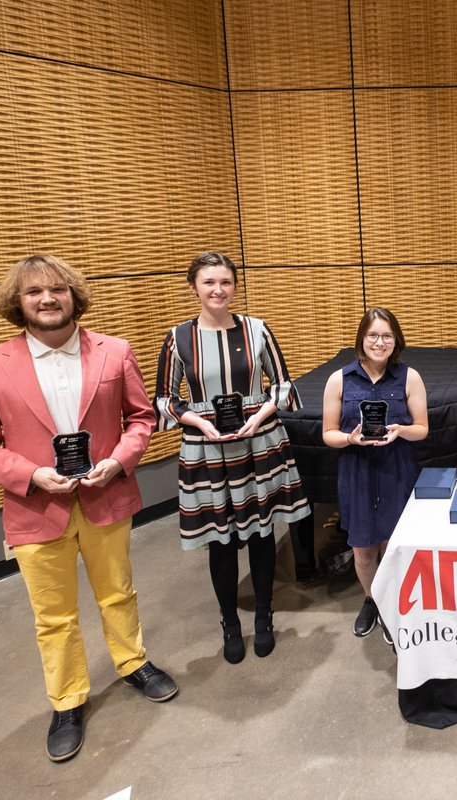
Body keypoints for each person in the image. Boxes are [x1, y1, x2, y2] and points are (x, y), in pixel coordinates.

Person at [0, 255, 177, 763]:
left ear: (75, 295)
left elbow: (141, 418)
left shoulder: (114, 352)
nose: (48, 298)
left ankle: (132, 663)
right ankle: (68, 700)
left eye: (58, 289)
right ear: (19, 302)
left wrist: (119, 462)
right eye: (34, 292)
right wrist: (31, 475)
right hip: (35, 508)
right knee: (53, 616)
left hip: (106, 495)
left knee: (118, 592)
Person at [154, 252, 310, 664]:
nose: (218, 290)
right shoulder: (178, 338)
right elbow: (165, 400)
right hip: (206, 448)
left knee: (261, 534)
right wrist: (201, 423)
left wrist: (258, 417)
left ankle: (263, 615)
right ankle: (229, 622)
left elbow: (283, 387)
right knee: (220, 542)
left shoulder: (257, 330)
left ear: (235, 286)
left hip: (257, 442)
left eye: (225, 281)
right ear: (194, 288)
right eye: (209, 282)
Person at [322, 308, 428, 643]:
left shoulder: (409, 377)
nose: (379, 342)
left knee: (393, 546)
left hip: (397, 469)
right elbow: (328, 434)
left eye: (386, 336)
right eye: (372, 335)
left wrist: (402, 430)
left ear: (396, 340)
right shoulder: (340, 379)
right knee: (364, 550)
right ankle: (373, 601)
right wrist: (350, 438)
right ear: (361, 339)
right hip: (357, 471)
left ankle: (395, 602)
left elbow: (423, 429)